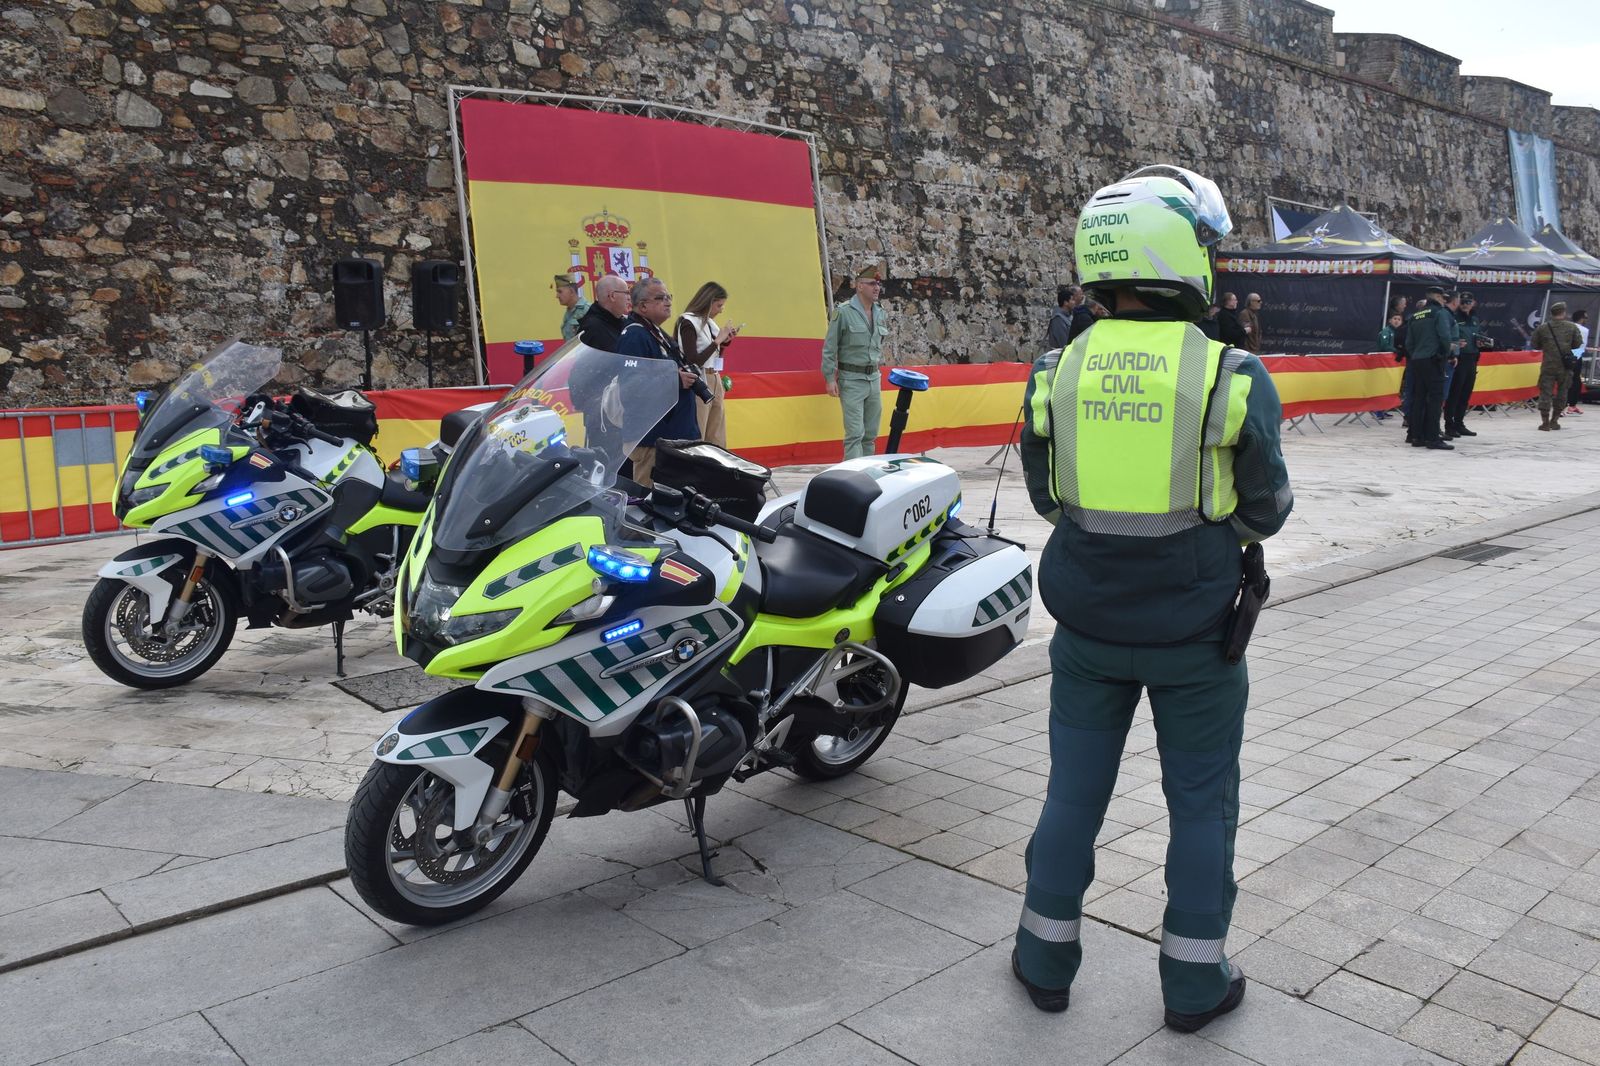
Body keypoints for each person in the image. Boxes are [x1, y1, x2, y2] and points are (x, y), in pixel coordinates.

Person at [1015, 164, 1292, 1033]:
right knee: (1201, 805)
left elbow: (1047, 498)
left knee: (1072, 796)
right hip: (1199, 633)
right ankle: (1193, 986)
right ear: (1180, 255)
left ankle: (1043, 961)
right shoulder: (1230, 371)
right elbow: (1267, 508)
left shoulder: (1054, 369)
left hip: (1086, 627)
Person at [617, 277, 704, 485]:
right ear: (643, 306)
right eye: (660, 297)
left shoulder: (655, 333)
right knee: (650, 499)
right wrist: (674, 380)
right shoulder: (634, 336)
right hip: (654, 440)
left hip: (671, 436)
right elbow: (630, 386)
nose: (668, 302)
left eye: (668, 297)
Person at [820, 264, 888, 459]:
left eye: (878, 284)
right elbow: (830, 347)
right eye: (871, 284)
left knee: (870, 434)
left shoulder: (880, 312)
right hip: (851, 379)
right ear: (859, 286)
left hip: (873, 378)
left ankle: (867, 473)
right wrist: (829, 378)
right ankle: (853, 478)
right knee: (855, 434)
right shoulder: (844, 312)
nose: (876, 288)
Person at [676, 281, 740, 448]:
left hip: (715, 377)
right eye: (719, 305)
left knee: (717, 432)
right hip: (699, 380)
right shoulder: (688, 322)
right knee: (700, 430)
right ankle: (697, 469)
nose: (721, 310)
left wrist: (724, 343)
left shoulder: (710, 323)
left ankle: (717, 469)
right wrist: (717, 341)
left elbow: (714, 356)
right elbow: (693, 361)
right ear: (708, 301)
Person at [1403, 286, 1457, 450]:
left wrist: (1416, 355)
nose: (1444, 300)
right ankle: (1432, 438)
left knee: (1418, 398)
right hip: (1433, 359)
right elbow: (1445, 336)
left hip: (1417, 360)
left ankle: (1415, 436)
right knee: (1435, 399)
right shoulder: (1439, 313)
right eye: (1442, 297)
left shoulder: (1415, 316)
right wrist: (1445, 354)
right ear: (1437, 297)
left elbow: (1409, 343)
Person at [1532, 302, 1582, 431]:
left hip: (1548, 365)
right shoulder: (1572, 327)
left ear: (1552, 313)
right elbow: (1577, 344)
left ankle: (1544, 422)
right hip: (1565, 366)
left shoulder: (1543, 328)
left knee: (1545, 393)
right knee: (1562, 393)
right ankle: (1554, 421)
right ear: (1563, 312)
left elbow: (1535, 345)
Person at [1444, 292, 1484, 439]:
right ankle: (1449, 425)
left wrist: (1480, 342)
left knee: (1465, 393)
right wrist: (1456, 347)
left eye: (1469, 302)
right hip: (1458, 359)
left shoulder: (1475, 319)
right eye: (1463, 302)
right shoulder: (1453, 318)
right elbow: (1447, 337)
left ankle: (1459, 423)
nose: (1466, 304)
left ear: (1473, 303)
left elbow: (1478, 335)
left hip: (1472, 358)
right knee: (1454, 393)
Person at [576, 274, 633, 353]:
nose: (629, 297)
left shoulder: (617, 321)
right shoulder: (594, 329)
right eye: (626, 293)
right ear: (612, 296)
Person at [1566, 309, 1589, 417]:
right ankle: (1571, 405)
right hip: (1576, 355)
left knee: (1568, 380)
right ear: (1581, 318)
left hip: (1566, 355)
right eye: (1585, 318)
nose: (1586, 320)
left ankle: (1568, 404)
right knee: (1575, 381)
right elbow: (1581, 345)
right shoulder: (1584, 330)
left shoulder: (1567, 326)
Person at [555, 274, 589, 341]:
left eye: (560, 292)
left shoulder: (587, 310)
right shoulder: (569, 313)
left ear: (571, 291)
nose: (557, 296)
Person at [1046, 285, 1079, 349]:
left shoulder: (1069, 316)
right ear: (1066, 302)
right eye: (1072, 300)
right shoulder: (1058, 319)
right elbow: (1064, 342)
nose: (1074, 302)